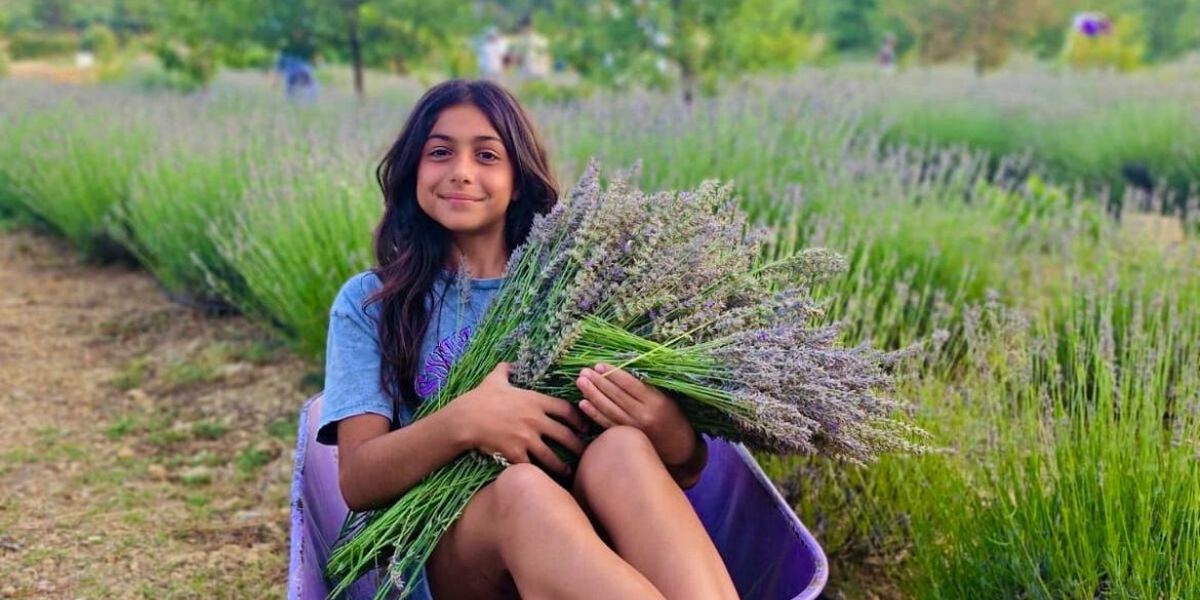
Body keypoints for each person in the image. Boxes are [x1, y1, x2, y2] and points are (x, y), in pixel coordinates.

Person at [317, 79, 739, 599]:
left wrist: (666, 427)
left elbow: (689, 470)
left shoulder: (582, 290)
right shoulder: (373, 302)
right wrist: (467, 421)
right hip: (447, 556)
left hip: (590, 550)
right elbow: (358, 480)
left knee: (624, 448)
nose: (462, 171)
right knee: (523, 491)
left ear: (517, 180)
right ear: (413, 171)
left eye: (487, 154)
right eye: (440, 152)